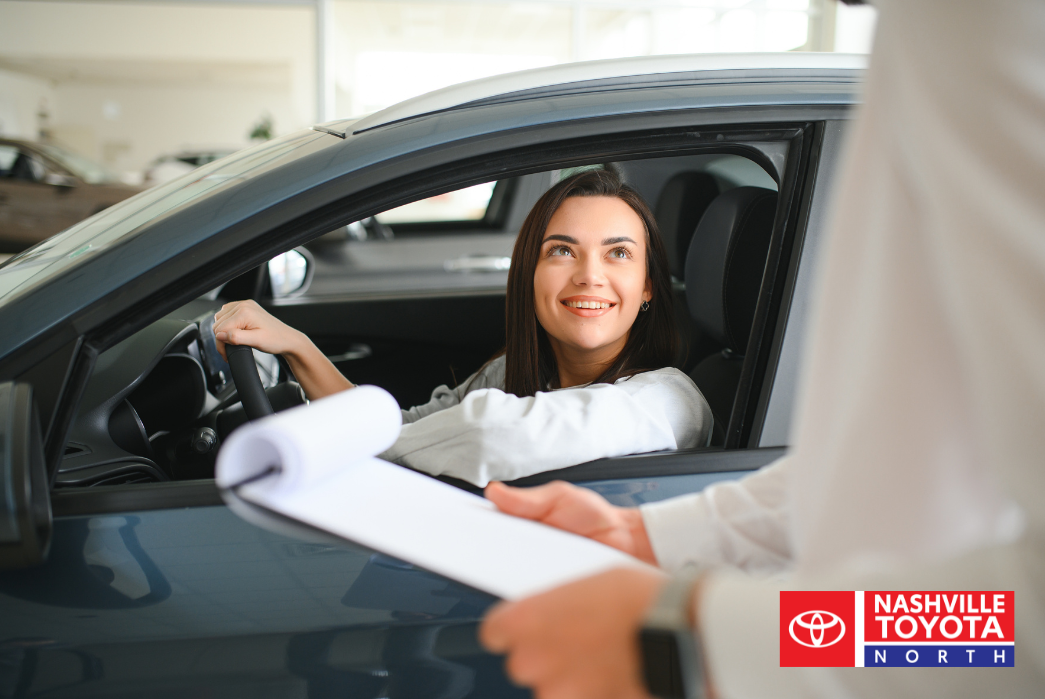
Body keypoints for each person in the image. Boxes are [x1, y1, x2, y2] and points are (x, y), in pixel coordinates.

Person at [478, 0, 1045, 697]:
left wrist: (701, 634)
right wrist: (645, 535)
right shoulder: (932, 31)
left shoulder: (998, 25)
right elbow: (894, 454)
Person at [213, 169, 713, 486]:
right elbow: (409, 432)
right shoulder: (511, 374)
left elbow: (487, 435)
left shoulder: (669, 401)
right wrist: (298, 348)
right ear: (529, 274)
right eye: (562, 250)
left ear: (648, 286)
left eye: (618, 253)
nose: (589, 274)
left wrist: (349, 446)